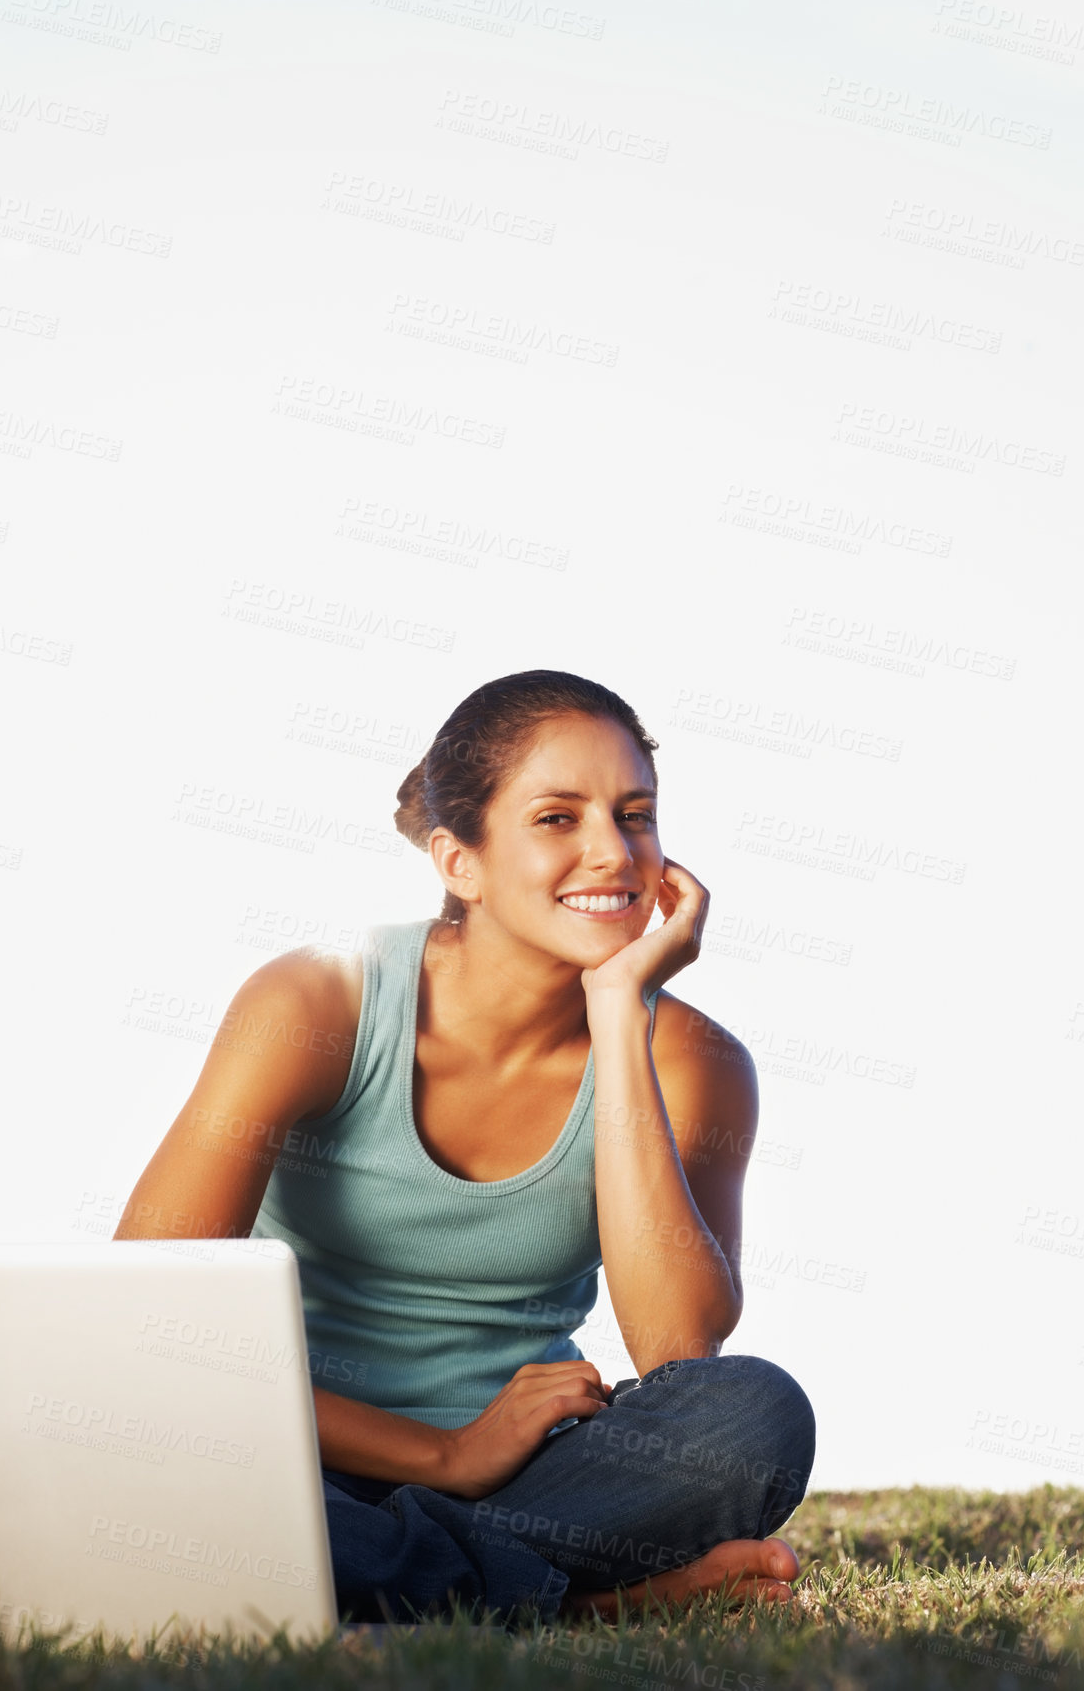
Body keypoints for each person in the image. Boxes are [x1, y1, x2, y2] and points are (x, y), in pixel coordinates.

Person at [114, 669, 815, 1628]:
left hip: (537, 1481)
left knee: (751, 1416)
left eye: (636, 814)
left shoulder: (694, 1062)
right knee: (133, 1437)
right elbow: (145, 1315)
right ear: (460, 861)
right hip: (281, 1452)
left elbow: (678, 1349)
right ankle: (580, 1606)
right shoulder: (317, 1005)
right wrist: (445, 1457)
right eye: (558, 819)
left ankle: (378, 1580)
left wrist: (617, 1013)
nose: (613, 853)